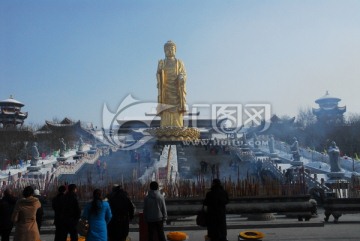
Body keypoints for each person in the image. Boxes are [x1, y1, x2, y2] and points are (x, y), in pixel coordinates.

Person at [157, 40, 187, 127]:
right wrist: (159, 71)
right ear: (164, 51)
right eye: (167, 49)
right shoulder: (162, 62)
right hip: (165, 91)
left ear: (175, 50)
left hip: (176, 90)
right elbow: (158, 75)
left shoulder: (179, 62)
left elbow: (183, 73)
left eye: (172, 49)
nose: (169, 51)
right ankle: (165, 126)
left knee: (176, 110)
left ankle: (177, 126)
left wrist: (182, 77)